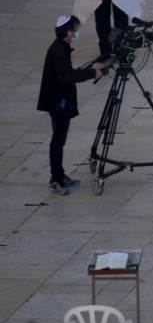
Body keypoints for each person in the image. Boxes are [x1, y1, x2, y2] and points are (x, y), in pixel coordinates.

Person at [36, 15, 104, 195]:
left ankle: (60, 175)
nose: (76, 33)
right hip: (58, 103)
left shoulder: (61, 47)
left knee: (60, 140)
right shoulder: (59, 51)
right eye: (74, 30)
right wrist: (92, 73)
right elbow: (66, 76)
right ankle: (55, 179)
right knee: (57, 141)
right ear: (68, 32)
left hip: (60, 101)